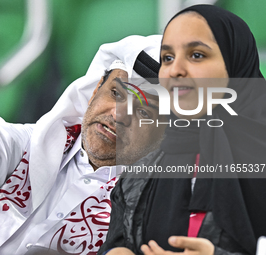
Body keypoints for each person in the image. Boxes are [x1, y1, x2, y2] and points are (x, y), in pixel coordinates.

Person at [0, 35, 166, 255]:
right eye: (116, 94)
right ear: (94, 92)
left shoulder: (149, 210)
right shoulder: (42, 142)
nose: (118, 115)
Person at [99, 4, 266, 255]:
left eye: (197, 55)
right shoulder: (144, 167)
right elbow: (117, 242)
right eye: (167, 58)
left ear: (234, 63)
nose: (175, 70)